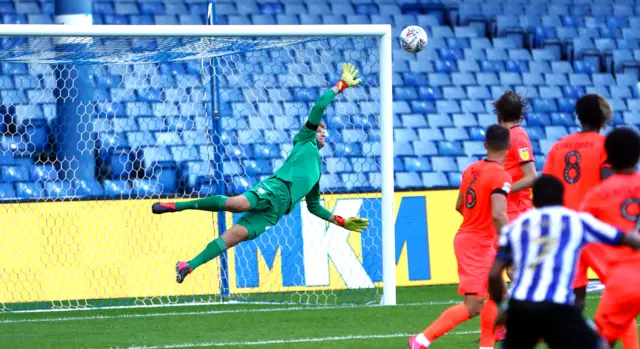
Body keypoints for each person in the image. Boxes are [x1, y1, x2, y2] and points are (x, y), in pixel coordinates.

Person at [151, 63, 369, 283]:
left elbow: (314, 207)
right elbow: (319, 107)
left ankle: (188, 266)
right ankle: (175, 206)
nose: (323, 133)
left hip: (274, 213)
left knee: (232, 238)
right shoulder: (305, 141)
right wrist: (340, 85)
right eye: (320, 130)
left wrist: (341, 222)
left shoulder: (317, 173)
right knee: (237, 204)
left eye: (324, 131)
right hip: (275, 189)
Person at [488, 174, 640, 349]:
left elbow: (493, 274)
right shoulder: (577, 221)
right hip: (557, 306)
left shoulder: (514, 227)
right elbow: (626, 238)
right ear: (562, 197)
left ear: (534, 200)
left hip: (520, 308)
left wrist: (502, 307)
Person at [540, 95, 639, 348]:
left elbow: (546, 190)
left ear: (579, 117)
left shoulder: (558, 147)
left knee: (573, 303)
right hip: (598, 232)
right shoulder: (606, 145)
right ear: (605, 118)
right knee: (621, 301)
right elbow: (611, 184)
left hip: (566, 233)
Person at [408, 124, 512, 349]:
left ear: (485, 145)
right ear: (509, 148)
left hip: (470, 237)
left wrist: (477, 222)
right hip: (478, 244)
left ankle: (486, 346)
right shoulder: (501, 175)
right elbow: (498, 213)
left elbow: (459, 205)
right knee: (474, 305)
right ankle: (421, 340)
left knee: (499, 294)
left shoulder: (471, 169)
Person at [582, 127, 640, 347]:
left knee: (601, 341)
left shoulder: (599, 194)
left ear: (607, 155)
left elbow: (582, 229)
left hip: (622, 277)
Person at [494, 91, 537, 223]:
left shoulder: (518, 136)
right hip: (506, 209)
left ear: (499, 114)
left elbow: (531, 177)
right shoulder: (505, 137)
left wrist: (503, 191)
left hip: (518, 211)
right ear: (521, 114)